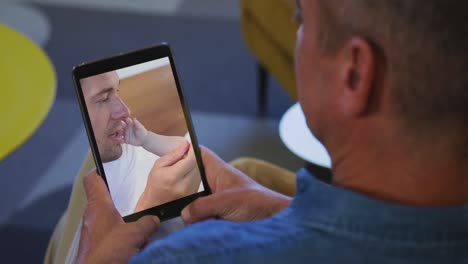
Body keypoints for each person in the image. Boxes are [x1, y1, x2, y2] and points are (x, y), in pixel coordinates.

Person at [53, 0, 468, 263]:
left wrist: (95, 258)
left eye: (300, 16)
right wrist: (284, 212)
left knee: (89, 189)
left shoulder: (194, 256)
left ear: (355, 74)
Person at [80, 71, 201, 216]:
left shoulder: (127, 146)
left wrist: (148, 139)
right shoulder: (91, 192)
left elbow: (185, 149)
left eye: (117, 92)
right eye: (104, 99)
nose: (125, 111)